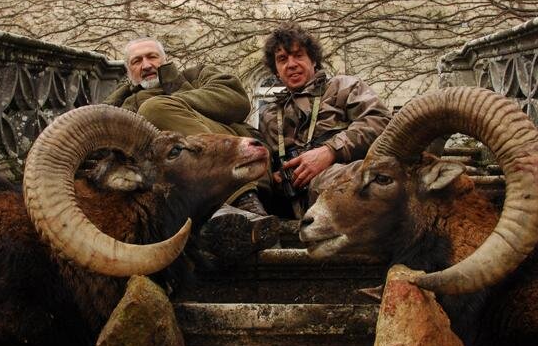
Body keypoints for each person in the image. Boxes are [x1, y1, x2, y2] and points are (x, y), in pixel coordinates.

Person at [103, 38, 279, 264]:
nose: (146, 65)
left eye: (152, 57)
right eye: (137, 61)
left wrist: (168, 104)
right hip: (174, 194)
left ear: (165, 61)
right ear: (129, 72)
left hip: (242, 166)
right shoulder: (121, 108)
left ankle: (244, 201)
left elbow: (237, 101)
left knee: (155, 108)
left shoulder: (196, 76)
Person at [258, 23, 391, 217]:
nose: (291, 64)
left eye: (298, 55)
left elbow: (380, 122)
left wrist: (330, 151)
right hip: (290, 205)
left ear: (313, 60)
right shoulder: (270, 114)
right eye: (282, 59)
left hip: (345, 195)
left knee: (330, 180)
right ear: (276, 70)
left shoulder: (343, 88)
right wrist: (273, 177)